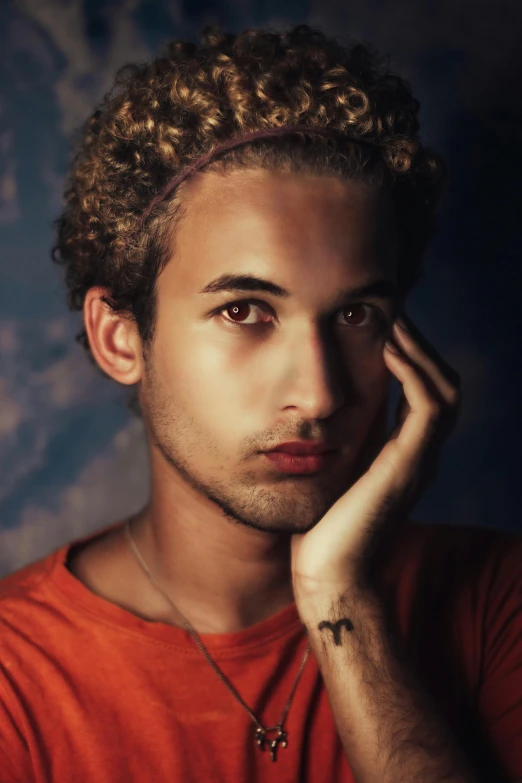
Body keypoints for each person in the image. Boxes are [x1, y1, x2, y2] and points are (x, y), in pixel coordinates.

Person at [0, 22, 520, 783]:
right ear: (121, 339)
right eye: (245, 310)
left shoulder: (495, 601)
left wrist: (338, 594)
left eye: (355, 315)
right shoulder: (15, 675)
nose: (317, 392)